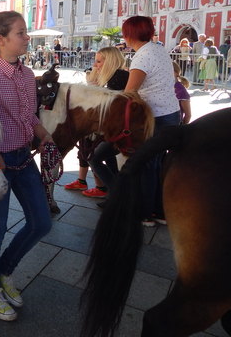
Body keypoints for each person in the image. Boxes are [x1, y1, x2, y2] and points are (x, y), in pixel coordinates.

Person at [0, 10, 53, 322]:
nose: (27, 38)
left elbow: (29, 116)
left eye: (26, 32)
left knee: (41, 223)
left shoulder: (27, 74)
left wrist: (43, 135)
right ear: (1, 39)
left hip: (24, 158)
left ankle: (4, 270)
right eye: (21, 33)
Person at [122, 16, 180, 227]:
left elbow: (130, 92)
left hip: (154, 115)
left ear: (129, 34)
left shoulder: (142, 56)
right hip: (171, 112)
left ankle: (146, 213)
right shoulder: (159, 49)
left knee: (148, 164)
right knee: (161, 164)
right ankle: (161, 211)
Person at [66, 47, 129, 198]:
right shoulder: (112, 76)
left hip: (118, 128)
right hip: (113, 128)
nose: (95, 65)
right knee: (106, 157)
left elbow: (107, 104)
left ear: (110, 61)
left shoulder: (118, 76)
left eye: (99, 61)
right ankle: (116, 193)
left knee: (94, 158)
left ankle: (117, 195)